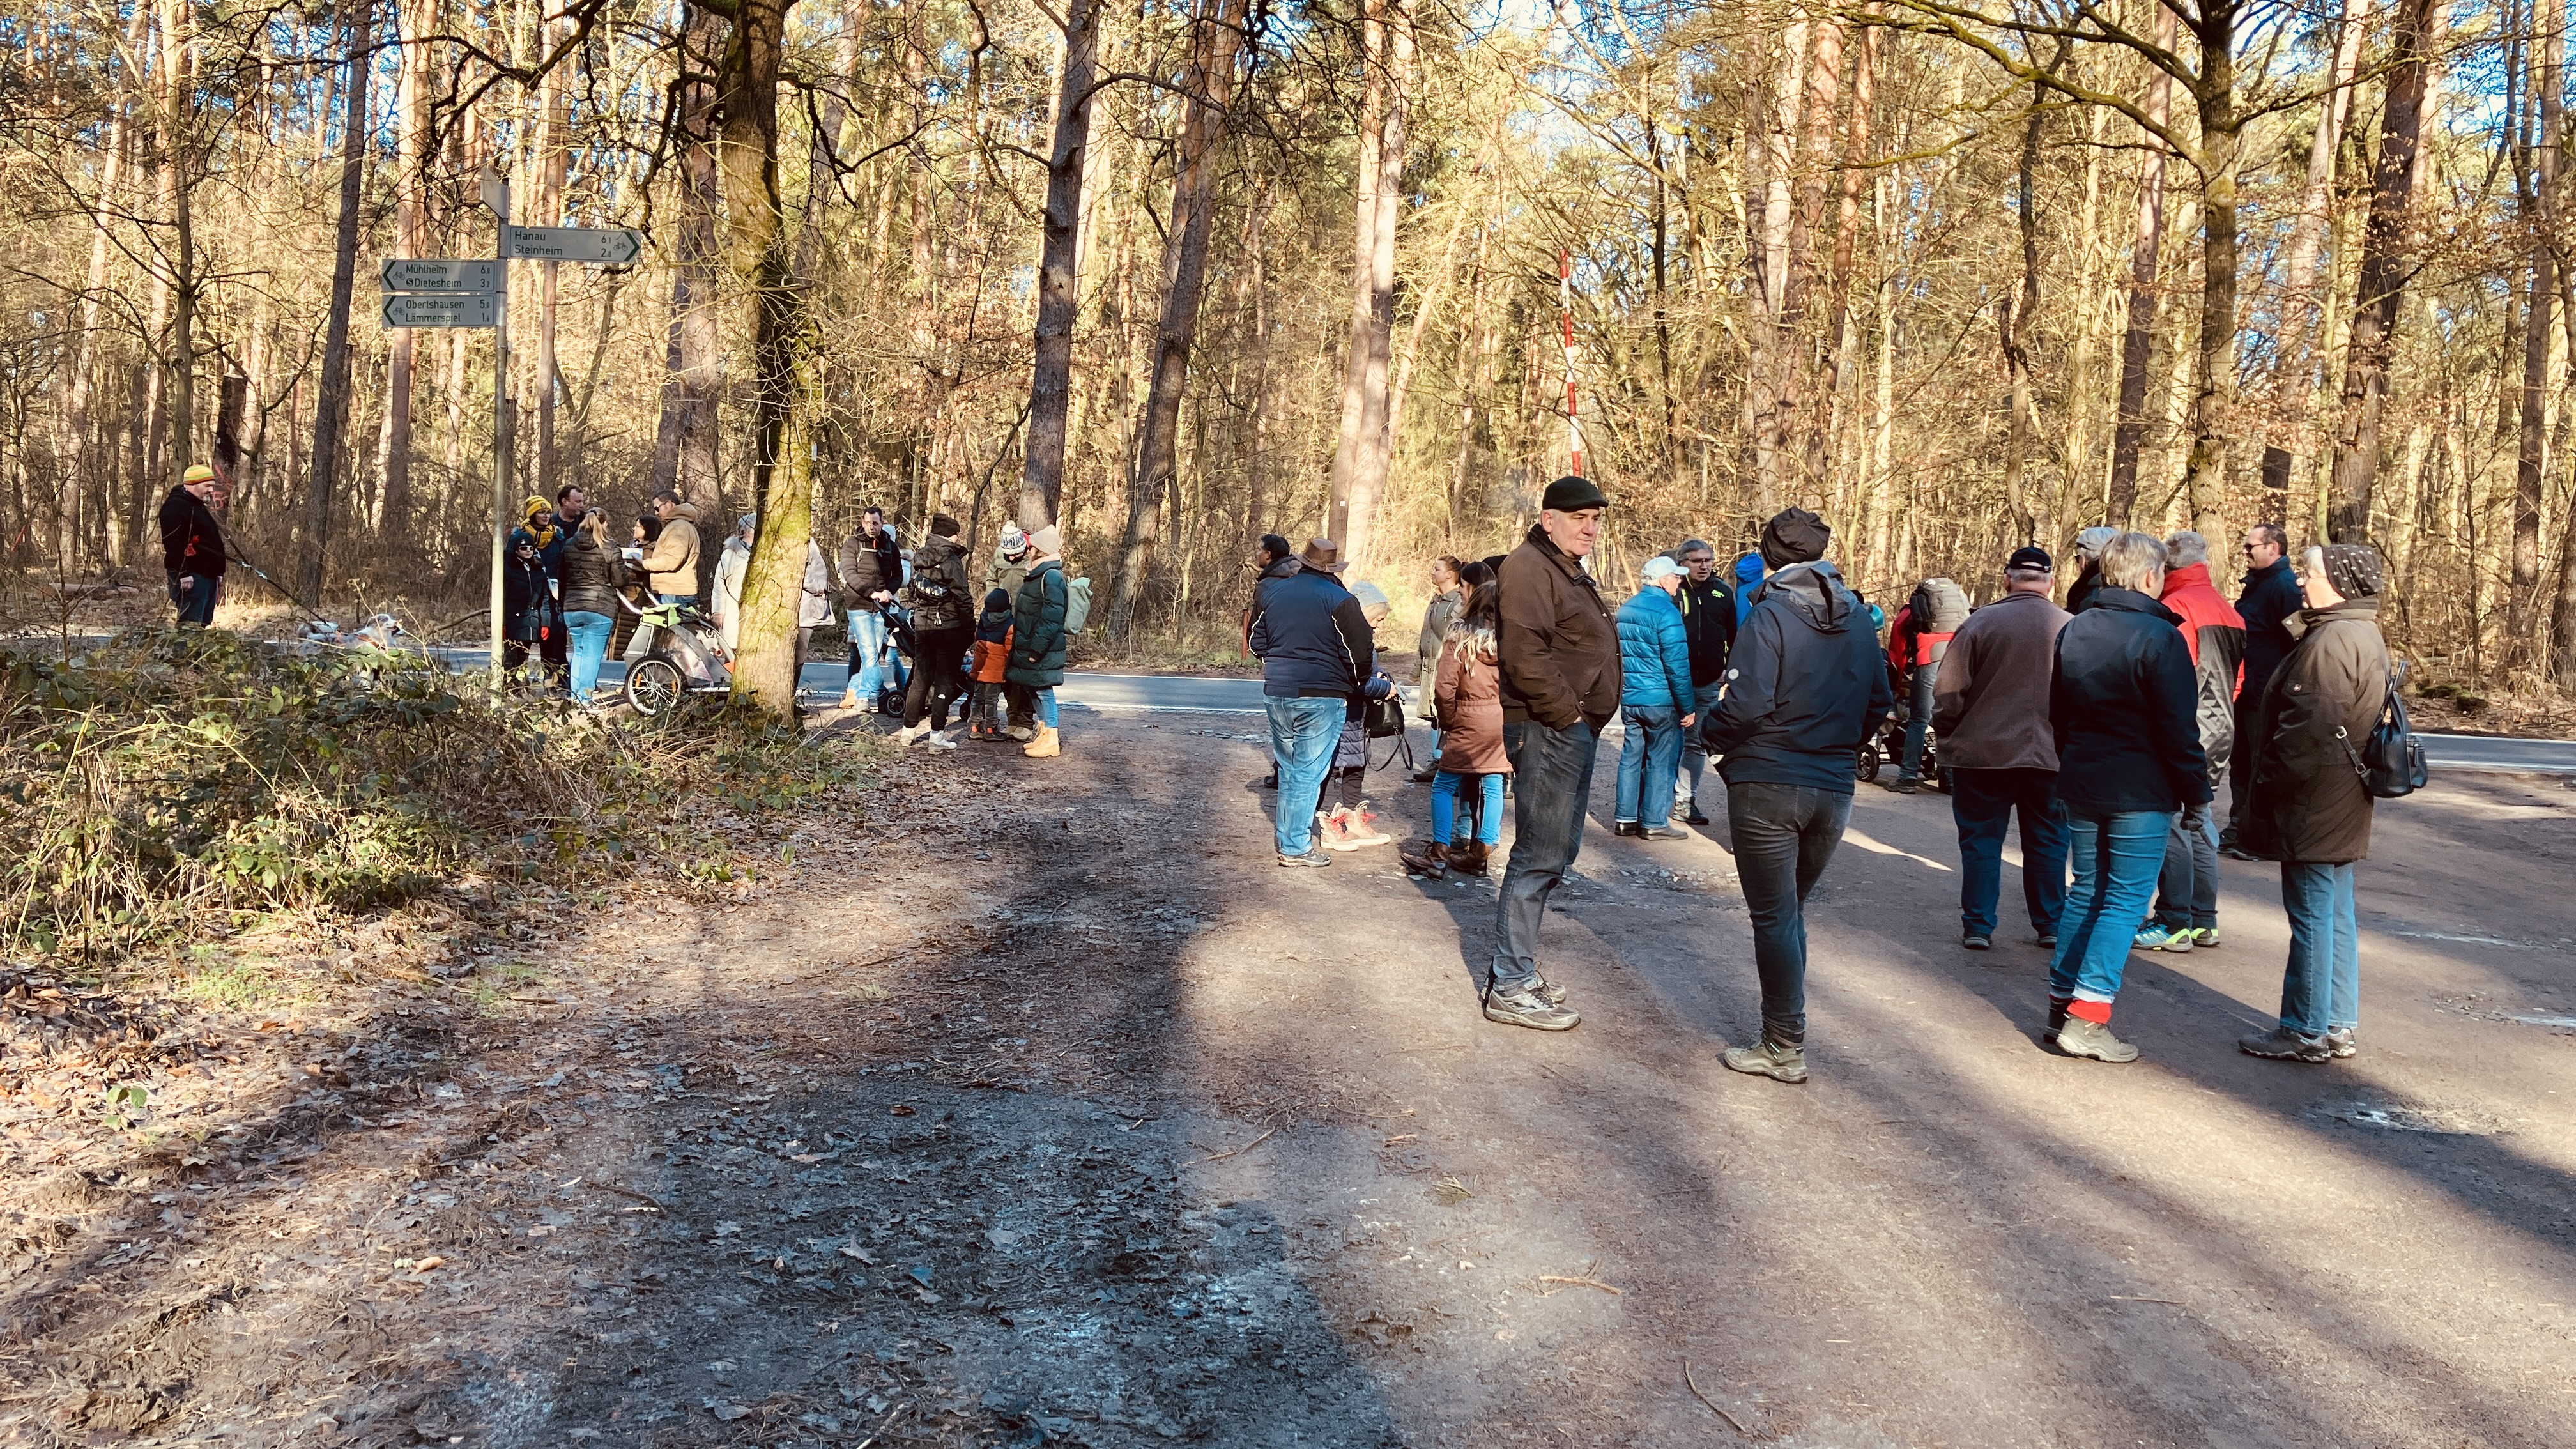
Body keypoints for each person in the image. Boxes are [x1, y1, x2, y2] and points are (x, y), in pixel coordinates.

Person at [1706, 508, 1893, 1084]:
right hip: (1832, 787)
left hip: (1769, 781)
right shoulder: (1860, 617)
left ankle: (1784, 1044)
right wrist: (1836, 746)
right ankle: (1786, 1035)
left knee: (1776, 916)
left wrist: (1710, 739)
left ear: (1769, 555)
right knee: (1789, 913)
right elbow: (1880, 703)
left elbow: (1745, 704)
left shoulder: (1770, 614)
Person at [2044, 531, 2209, 1064]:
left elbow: (2059, 714)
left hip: (2085, 779)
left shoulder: (2075, 630)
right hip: (2141, 788)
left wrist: (2075, 763)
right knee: (2124, 901)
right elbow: (2179, 729)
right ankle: (2087, 1017)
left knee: (2087, 890)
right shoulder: (2160, 638)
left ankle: (2062, 1005)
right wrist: (2196, 793)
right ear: (2147, 577)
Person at [2236, 545, 2392, 1063]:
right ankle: (2335, 1024)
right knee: (2335, 914)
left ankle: (2304, 1029)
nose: (2302, 582)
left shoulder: (2331, 642)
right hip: (2342, 795)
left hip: (2315, 799)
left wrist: (2269, 790)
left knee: (2313, 917)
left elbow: (2304, 731)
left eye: (2311, 573)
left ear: (2342, 582)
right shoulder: (2361, 631)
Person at [1485, 475, 1623, 1031]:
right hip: (1547, 729)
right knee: (1538, 853)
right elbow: (1525, 654)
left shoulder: (1562, 566)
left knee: (1556, 850)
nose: (1590, 528)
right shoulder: (1528, 567)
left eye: (1595, 518)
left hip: (1569, 728)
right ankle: (1510, 984)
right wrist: (1567, 715)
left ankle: (1517, 969)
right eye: (1578, 518)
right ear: (1548, 519)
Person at [1932, 546, 2072, 951]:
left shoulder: (1979, 624)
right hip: (2051, 755)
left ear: (2007, 579)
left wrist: (1949, 732)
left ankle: (1978, 926)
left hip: (1982, 754)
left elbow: (1949, 691)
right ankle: (2050, 924)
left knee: (1981, 842)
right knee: (2047, 840)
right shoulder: (2071, 626)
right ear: (2051, 583)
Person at [2136, 530, 2245, 951]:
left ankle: (2174, 919)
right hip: (2221, 728)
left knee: (2175, 823)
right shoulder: (2228, 610)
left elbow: (2170, 677)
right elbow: (2238, 679)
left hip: (2186, 726)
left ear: (2169, 566)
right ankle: (2204, 919)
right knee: (2201, 822)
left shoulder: (2174, 607)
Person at [1250, 535, 1385, 865]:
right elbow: (1360, 655)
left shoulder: (1273, 591)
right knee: (1307, 774)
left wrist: (1282, 663)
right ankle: (1295, 847)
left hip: (1278, 692)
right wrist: (1355, 681)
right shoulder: (1340, 599)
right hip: (1322, 696)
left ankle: (1289, 840)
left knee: (1291, 768)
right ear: (1332, 568)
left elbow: (1256, 641)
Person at [1400, 576, 1509, 878]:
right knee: (1493, 783)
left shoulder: (1458, 640)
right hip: (1499, 719)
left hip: (1467, 717)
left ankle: (1439, 854)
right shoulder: (1510, 642)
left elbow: (1445, 688)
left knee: (1444, 785)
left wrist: (1448, 722)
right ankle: (1482, 852)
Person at [2224, 522, 2303, 856]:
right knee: (2242, 763)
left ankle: (2261, 837)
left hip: (2265, 693)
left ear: (2274, 548)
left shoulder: (2284, 587)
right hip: (2248, 690)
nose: (2245, 553)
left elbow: (2298, 639)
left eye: (2250, 547)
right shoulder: (2258, 584)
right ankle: (2239, 829)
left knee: (2260, 765)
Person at [1613, 555, 1696, 839]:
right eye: (1676, 576)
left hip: (1632, 697)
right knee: (1662, 760)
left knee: (1631, 758)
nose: (1680, 581)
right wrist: (1688, 707)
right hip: (1661, 700)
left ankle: (1625, 819)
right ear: (1663, 581)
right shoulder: (1667, 612)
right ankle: (1654, 822)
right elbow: (1677, 666)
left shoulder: (1627, 608)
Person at [1319, 564, 1397, 849]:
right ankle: (1325, 824)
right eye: (1378, 617)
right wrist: (1385, 687)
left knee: (1355, 767)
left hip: (1355, 718)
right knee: (1329, 770)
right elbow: (1357, 680)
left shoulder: (1362, 637)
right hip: (1343, 713)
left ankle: (1353, 819)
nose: (1380, 623)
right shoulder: (1351, 638)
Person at [894, 514, 975, 747]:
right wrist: (970, 630)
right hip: (949, 628)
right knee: (945, 681)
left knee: (920, 679)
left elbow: (913, 591)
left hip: (922, 626)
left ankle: (907, 732)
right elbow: (963, 598)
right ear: (952, 536)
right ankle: (936, 737)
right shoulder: (951, 561)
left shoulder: (920, 556)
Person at [1883, 576, 1967, 792]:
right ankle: (1950, 782)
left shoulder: (1907, 615)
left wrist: (1899, 683)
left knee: (1919, 719)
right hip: (1958, 658)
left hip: (1930, 658)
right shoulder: (1957, 615)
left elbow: (1897, 656)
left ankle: (1907, 778)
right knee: (1949, 721)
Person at [1673, 538, 1734, 827]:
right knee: (1665, 741)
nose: (1704, 566)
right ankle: (1654, 802)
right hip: (1672, 681)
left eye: (1708, 560)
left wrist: (1728, 669)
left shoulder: (1723, 592)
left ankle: (1685, 801)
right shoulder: (1673, 590)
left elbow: (1734, 636)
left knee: (1696, 744)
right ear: (1682, 563)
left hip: (1708, 682)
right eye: (1697, 561)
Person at [1006, 525, 1071, 758]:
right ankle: (1043, 735)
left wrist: (1036, 649)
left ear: (1041, 550)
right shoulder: (1037, 574)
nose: (1029, 549)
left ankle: (1051, 739)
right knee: (1034, 688)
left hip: (1041, 647)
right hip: (1029, 645)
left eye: (1032, 546)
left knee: (1044, 691)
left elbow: (1052, 618)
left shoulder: (1051, 576)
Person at [838, 507, 902, 711]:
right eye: (868, 523)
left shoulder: (891, 546)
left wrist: (889, 592)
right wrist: (870, 592)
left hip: (881, 608)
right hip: (859, 606)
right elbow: (849, 573)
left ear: (882, 523)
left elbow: (898, 575)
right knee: (868, 654)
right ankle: (880, 693)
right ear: (862, 522)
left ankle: (864, 697)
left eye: (875, 523)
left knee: (873, 654)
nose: (871, 527)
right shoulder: (852, 544)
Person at [1411, 556, 1466, 783]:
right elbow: (1426, 635)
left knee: (1444, 711)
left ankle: (1446, 761)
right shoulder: (1436, 601)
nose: (1432, 572)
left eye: (1437, 569)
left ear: (1450, 574)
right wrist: (1417, 668)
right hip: (1430, 664)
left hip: (1445, 665)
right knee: (1433, 715)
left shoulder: (1458, 603)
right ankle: (1438, 760)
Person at [559, 507, 622, 706]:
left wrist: (564, 603)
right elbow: (620, 580)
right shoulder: (610, 547)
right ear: (604, 524)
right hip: (600, 607)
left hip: (572, 607)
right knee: (592, 656)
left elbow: (562, 576)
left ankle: (575, 697)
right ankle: (584, 699)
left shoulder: (568, 544)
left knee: (579, 652)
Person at [158, 463, 226, 626]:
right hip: (193, 577)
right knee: (189, 626)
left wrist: (217, 573)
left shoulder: (196, 506)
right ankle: (182, 653)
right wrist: (184, 574)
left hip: (206, 576)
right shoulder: (176, 507)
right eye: (207, 485)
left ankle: (196, 653)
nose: (211, 490)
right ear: (191, 485)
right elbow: (173, 544)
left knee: (201, 625)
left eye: (212, 486)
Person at [500, 531, 557, 678]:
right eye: (524, 548)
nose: (528, 551)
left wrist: (545, 623)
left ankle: (519, 683)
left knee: (524, 655)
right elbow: (503, 598)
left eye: (531, 548)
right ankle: (508, 684)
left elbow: (545, 600)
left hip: (532, 620)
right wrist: (503, 623)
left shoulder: (538, 570)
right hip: (514, 619)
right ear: (517, 550)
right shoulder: (508, 570)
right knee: (511, 655)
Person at [639, 490, 703, 606]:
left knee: (671, 624)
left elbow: (672, 561)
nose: (656, 513)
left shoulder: (679, 527)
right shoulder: (679, 525)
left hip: (673, 592)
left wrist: (645, 564)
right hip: (674, 590)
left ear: (669, 504)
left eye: (657, 508)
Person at [967, 588, 1015, 740]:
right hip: (996, 670)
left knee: (977, 698)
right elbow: (1009, 648)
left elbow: (976, 638)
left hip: (980, 667)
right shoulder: (1010, 624)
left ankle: (974, 727)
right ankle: (990, 729)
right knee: (991, 700)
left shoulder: (984, 619)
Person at [711, 513, 756, 654]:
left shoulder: (760, 553)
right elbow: (720, 583)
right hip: (733, 610)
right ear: (747, 530)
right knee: (732, 651)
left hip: (753, 611)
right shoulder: (732, 553)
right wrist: (718, 611)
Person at [2064, 526, 2117, 614]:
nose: (2079, 565)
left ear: (2085, 561)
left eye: (2078, 558)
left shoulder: (2091, 596)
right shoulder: (2133, 589)